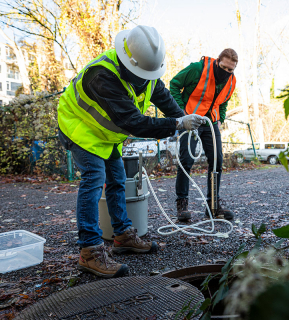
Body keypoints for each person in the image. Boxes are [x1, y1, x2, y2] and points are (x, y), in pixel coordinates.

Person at [57, 25, 206, 278]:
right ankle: (90, 251)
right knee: (94, 178)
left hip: (105, 136)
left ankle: (123, 236)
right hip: (79, 128)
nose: (146, 79)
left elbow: (163, 97)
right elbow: (134, 122)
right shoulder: (102, 76)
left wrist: (185, 119)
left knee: (116, 180)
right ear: (128, 61)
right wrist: (177, 125)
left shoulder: (145, 71)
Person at [170, 49, 238, 222]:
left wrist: (220, 119)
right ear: (217, 62)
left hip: (211, 122)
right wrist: (181, 112)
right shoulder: (197, 69)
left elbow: (223, 102)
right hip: (190, 118)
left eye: (231, 70)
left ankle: (212, 206)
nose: (227, 72)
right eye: (223, 67)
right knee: (186, 160)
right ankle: (182, 205)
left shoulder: (231, 81)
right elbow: (174, 84)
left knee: (217, 161)